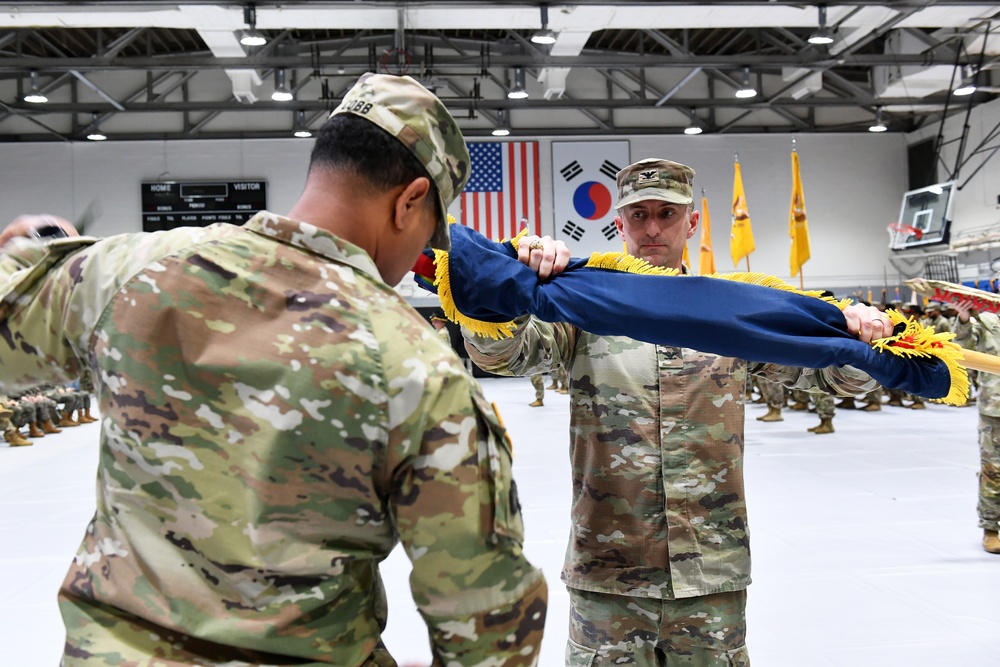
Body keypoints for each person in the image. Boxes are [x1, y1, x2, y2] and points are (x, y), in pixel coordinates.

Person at [0, 73, 546, 666]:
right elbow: (488, 627)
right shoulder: (418, 365)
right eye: (426, 229)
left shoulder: (128, 271)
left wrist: (27, 256)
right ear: (410, 199)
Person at [462, 157, 887, 665]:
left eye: (667, 212)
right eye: (638, 215)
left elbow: (829, 377)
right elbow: (500, 354)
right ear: (618, 224)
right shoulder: (581, 304)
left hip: (710, 574)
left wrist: (867, 341)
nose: (653, 228)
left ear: (693, 222)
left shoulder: (732, 313)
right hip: (610, 576)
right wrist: (504, 289)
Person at [950, 300, 1000, 554]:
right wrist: (964, 320)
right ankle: (991, 528)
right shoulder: (986, 321)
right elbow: (959, 349)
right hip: (995, 409)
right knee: (993, 470)